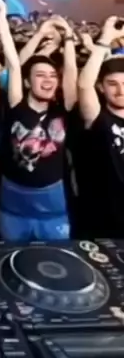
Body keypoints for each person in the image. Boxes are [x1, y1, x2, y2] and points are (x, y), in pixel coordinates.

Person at [0, 0, 78, 241]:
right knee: (12, 254)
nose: (48, 80)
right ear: (28, 82)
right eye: (40, 75)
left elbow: (71, 72)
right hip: (13, 199)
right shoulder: (16, 105)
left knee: (55, 257)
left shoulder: (62, 110)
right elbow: (13, 62)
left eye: (52, 76)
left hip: (52, 200)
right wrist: (1, 19)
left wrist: (69, 38)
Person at [77, 16, 124, 238]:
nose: (120, 90)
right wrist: (105, 38)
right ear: (101, 87)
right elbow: (84, 85)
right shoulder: (99, 118)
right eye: (112, 84)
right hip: (105, 220)